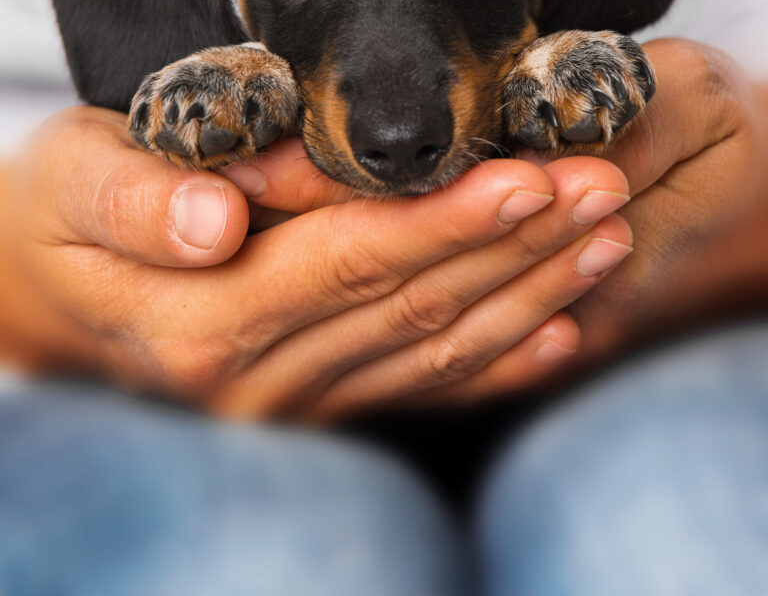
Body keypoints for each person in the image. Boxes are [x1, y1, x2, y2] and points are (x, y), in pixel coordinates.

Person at [0, 37, 766, 594]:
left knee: (678, 524)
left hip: (669, 340)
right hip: (93, 379)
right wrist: (36, 281)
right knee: (295, 563)